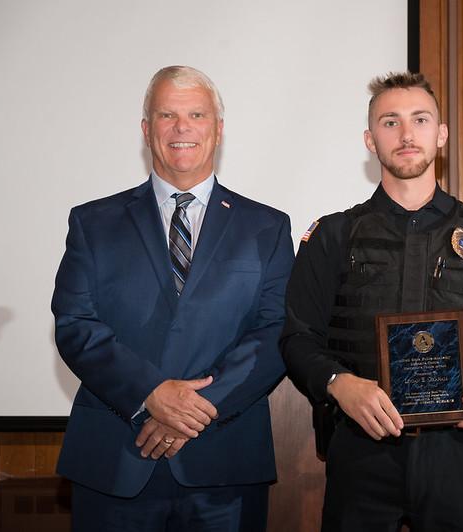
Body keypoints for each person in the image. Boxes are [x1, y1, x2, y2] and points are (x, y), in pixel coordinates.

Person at [280, 71, 463, 531]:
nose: (406, 134)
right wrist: (339, 383)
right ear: (370, 140)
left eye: (420, 120)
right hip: (360, 450)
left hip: (457, 451)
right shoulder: (332, 236)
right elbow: (296, 337)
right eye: (390, 122)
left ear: (441, 134)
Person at [51, 65, 293, 531]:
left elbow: (277, 327)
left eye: (196, 114)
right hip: (115, 457)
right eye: (167, 115)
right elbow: (76, 324)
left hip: (224, 461)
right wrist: (151, 394)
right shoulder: (93, 222)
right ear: (147, 130)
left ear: (217, 129)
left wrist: (191, 410)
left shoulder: (267, 226)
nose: (182, 128)